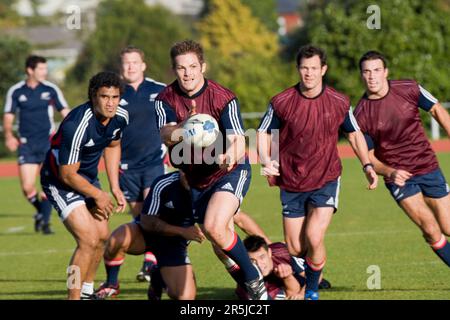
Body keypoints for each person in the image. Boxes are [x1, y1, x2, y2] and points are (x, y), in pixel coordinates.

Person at [257, 45, 378, 300]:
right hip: (291, 181)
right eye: (304, 68)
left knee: (314, 235)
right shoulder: (281, 102)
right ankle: (315, 276)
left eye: (314, 68)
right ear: (298, 69)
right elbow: (263, 132)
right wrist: (266, 160)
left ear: (323, 69)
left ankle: (310, 292)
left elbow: (354, 134)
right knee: (295, 247)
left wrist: (367, 165)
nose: (309, 73)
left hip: (326, 178)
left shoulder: (338, 101)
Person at [156, 39, 268, 300]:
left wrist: (230, 154)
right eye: (182, 68)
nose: (188, 73)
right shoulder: (165, 99)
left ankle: (254, 279)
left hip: (230, 171)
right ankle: (258, 294)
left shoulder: (223, 97)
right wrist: (186, 126)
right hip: (197, 179)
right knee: (220, 243)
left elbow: (239, 139)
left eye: (193, 66)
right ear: (174, 70)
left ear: (203, 66)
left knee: (214, 227)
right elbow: (165, 134)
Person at [354, 50, 450, 268]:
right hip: (399, 178)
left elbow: (436, 110)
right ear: (361, 75)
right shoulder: (360, 114)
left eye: (377, 70)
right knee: (430, 229)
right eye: (367, 72)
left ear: (385, 72)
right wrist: (389, 172)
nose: (372, 76)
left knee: (448, 226)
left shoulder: (409, 88)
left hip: (427, 166)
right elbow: (367, 157)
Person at [40, 71, 128, 300]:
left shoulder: (120, 116)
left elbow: (113, 145)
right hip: (59, 181)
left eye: (115, 97)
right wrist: (98, 194)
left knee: (101, 237)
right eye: (104, 96)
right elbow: (67, 174)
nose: (110, 103)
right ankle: (74, 296)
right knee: (87, 240)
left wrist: (114, 186)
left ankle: (88, 292)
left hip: (87, 179)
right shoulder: (77, 124)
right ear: (93, 96)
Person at [94, 171, 205, 300]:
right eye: (185, 170)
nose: (188, 175)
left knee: (185, 297)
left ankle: (157, 276)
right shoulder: (164, 183)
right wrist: (183, 231)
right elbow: (147, 222)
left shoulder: (207, 187)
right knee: (117, 239)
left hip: (173, 245)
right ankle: (111, 284)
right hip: (146, 234)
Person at [3, 55, 70, 234]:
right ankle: (41, 212)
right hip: (26, 144)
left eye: (45, 69)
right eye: (41, 69)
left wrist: (71, 133)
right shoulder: (16, 91)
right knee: (27, 187)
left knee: (47, 184)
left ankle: (46, 224)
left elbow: (66, 112)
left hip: (47, 143)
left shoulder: (51, 89)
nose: (44, 72)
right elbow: (8, 116)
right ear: (30, 70)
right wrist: (9, 135)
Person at [118, 46, 166, 282]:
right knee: (140, 219)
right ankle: (154, 259)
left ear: (143, 65)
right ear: (121, 67)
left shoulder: (159, 90)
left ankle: (150, 262)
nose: (131, 67)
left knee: (151, 211)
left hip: (154, 162)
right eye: (126, 63)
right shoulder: (114, 94)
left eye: (135, 62)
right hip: (126, 167)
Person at [234, 235, 305, 300]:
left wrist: (302, 293)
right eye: (252, 260)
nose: (259, 264)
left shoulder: (283, 253)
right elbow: (292, 294)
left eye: (262, 257)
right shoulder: (249, 281)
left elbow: (314, 277)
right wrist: (288, 277)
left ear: (269, 253)